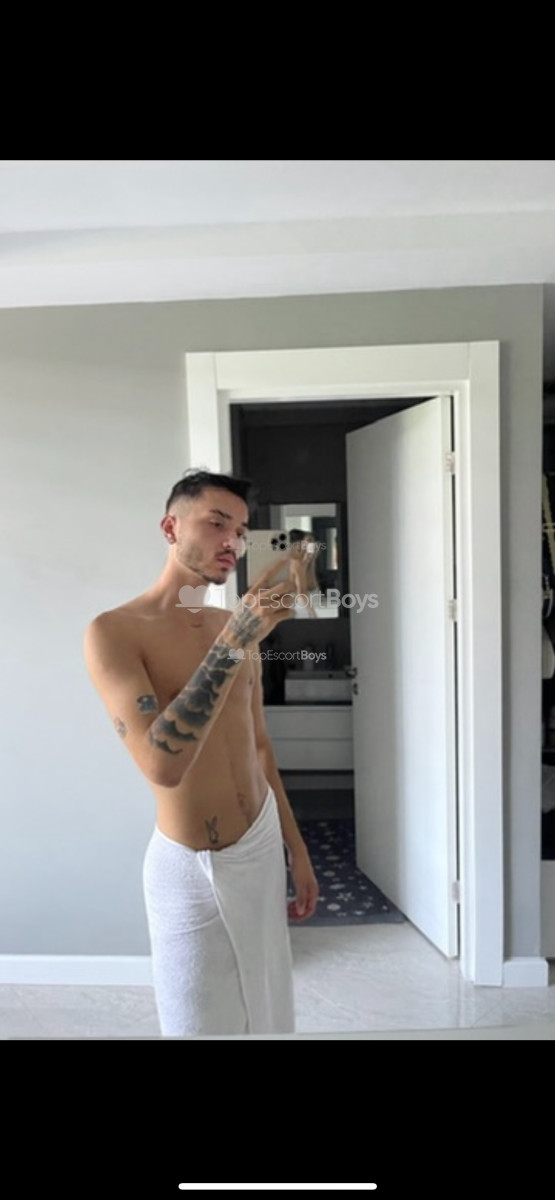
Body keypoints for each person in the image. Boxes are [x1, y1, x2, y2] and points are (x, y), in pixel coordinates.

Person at [83, 468, 319, 1036]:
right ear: (171, 528)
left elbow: (259, 745)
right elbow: (161, 765)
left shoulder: (233, 623)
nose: (232, 541)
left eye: (240, 530)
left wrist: (296, 848)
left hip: (260, 845)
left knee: (268, 1014)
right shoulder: (115, 632)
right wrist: (234, 641)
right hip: (191, 867)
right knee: (198, 1026)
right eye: (216, 524)